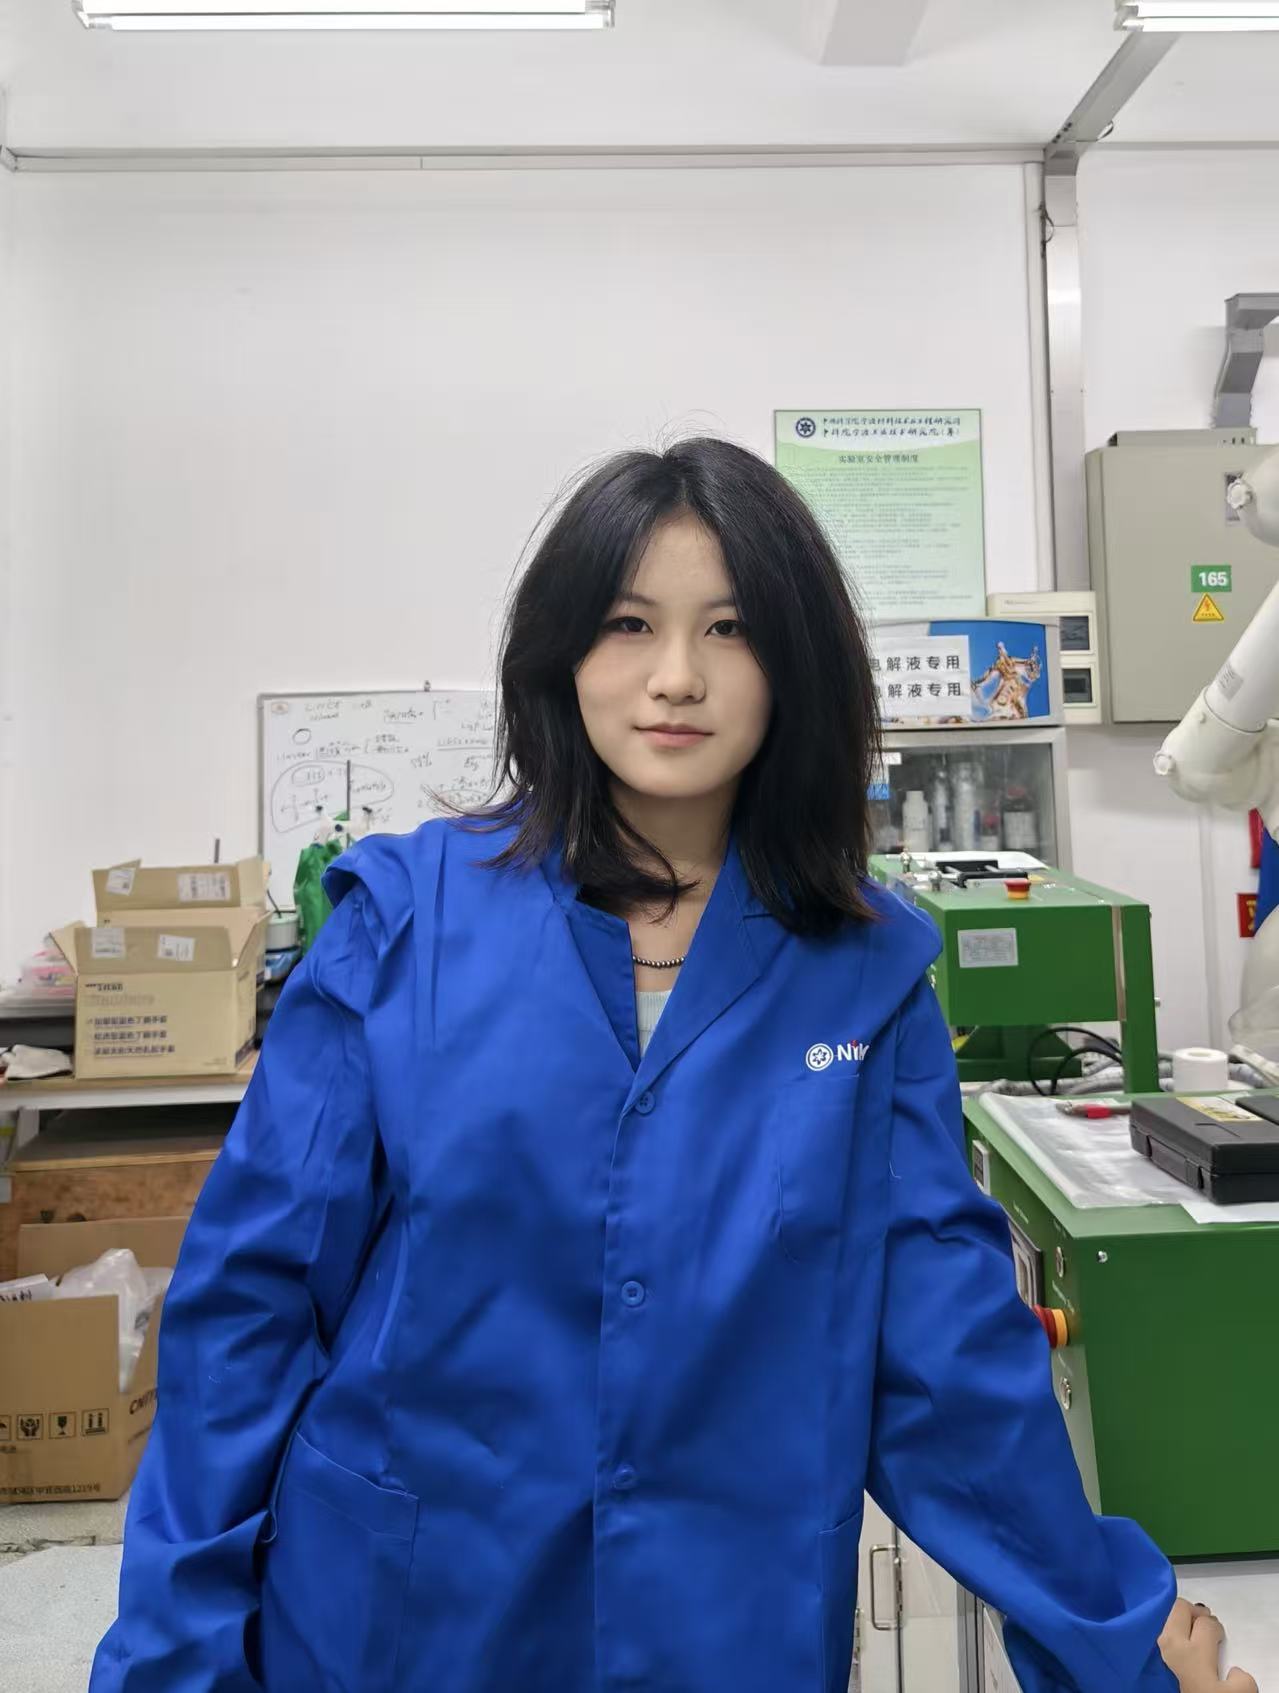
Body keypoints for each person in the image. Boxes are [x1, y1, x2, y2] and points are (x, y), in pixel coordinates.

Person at [90, 438, 1255, 1693]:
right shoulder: (403, 928)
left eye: (731, 628)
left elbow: (946, 1367)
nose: (677, 677)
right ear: (563, 653)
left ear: (794, 663)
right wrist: (171, 1662)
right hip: (404, 1617)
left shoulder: (864, 979)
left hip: (724, 1628)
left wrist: (1114, 1642)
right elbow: (248, 1312)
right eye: (629, 623)